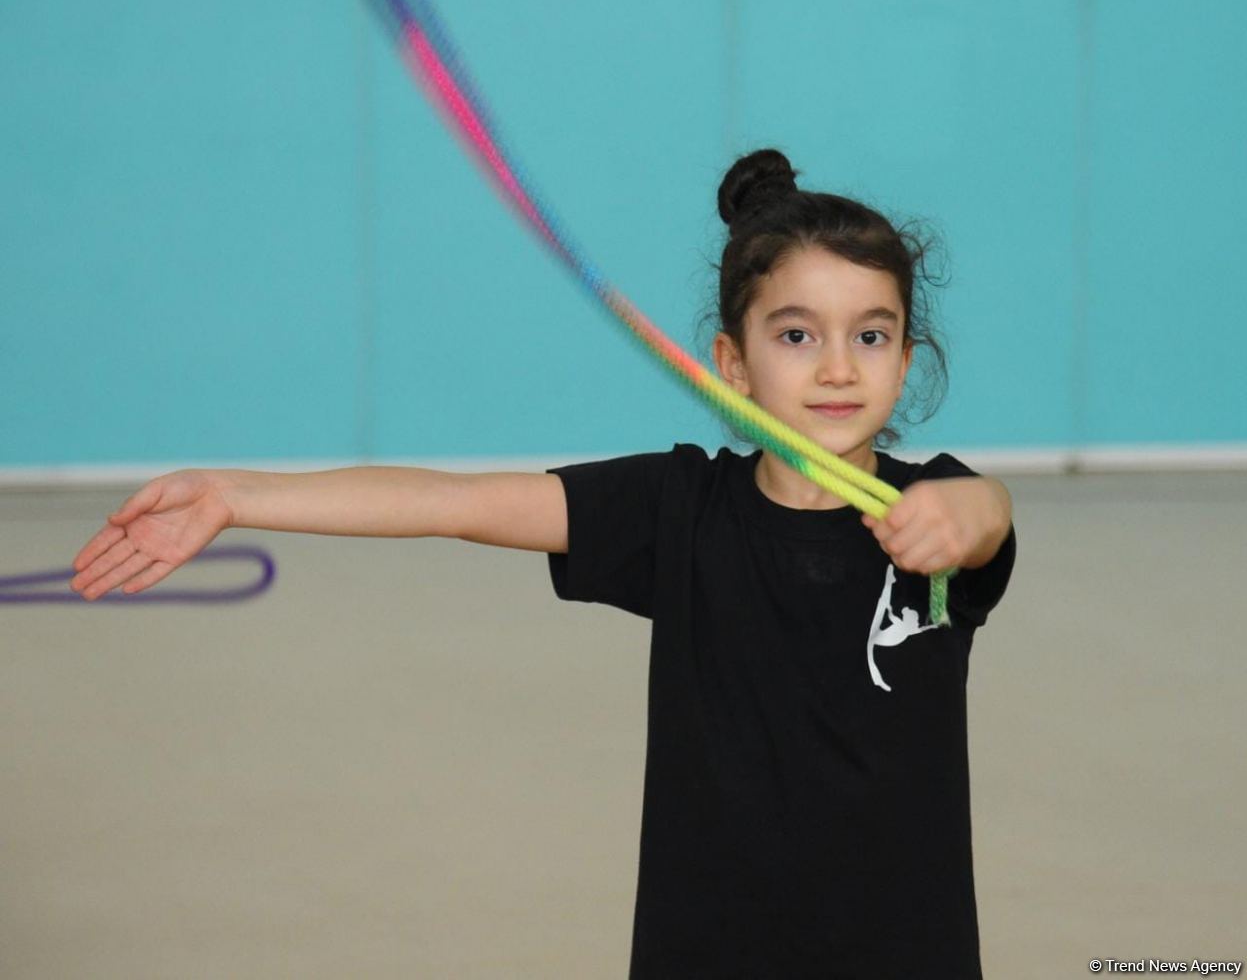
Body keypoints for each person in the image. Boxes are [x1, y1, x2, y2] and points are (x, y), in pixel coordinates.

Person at [68, 148, 1017, 978]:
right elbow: (458, 503)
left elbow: (984, 516)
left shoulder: (930, 508)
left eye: (872, 335)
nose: (838, 369)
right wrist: (240, 495)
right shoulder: (679, 510)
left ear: (905, 359)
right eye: (797, 335)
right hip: (711, 949)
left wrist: (957, 514)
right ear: (731, 363)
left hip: (905, 949)